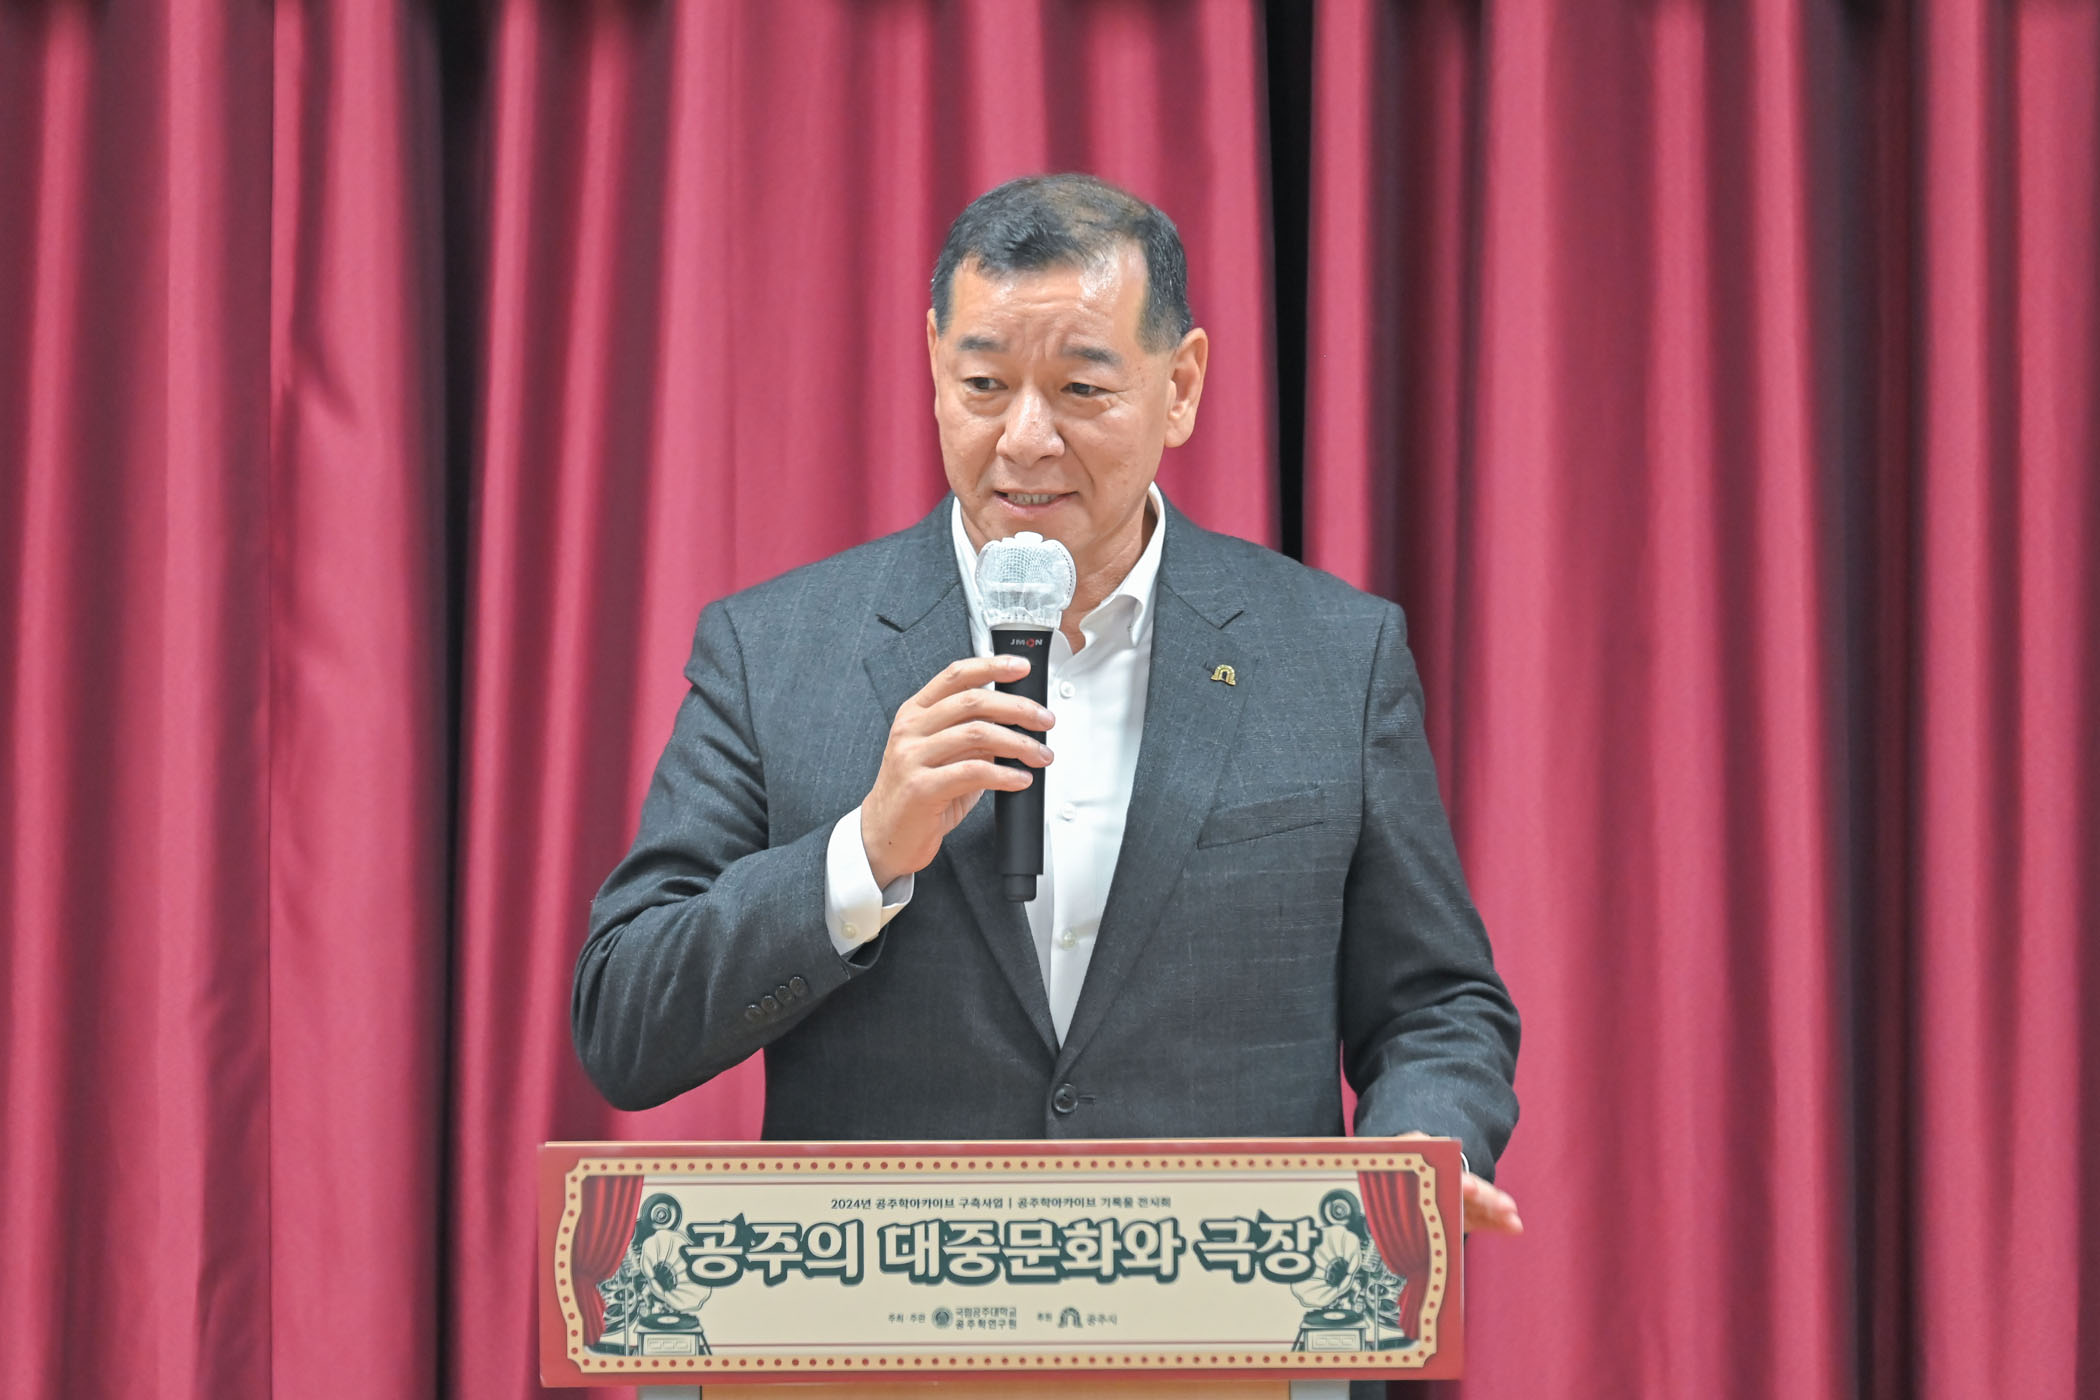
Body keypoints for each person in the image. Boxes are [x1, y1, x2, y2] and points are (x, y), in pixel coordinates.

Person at [573, 174, 1522, 1235]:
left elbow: (1437, 1003)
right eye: (984, 384)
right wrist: (862, 855)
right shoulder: (775, 653)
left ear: (1181, 385)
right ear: (935, 364)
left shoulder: (1334, 656)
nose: (1024, 439)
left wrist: (1419, 1141)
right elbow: (625, 1021)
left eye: (1080, 389)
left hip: (1222, 1306)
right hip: (890, 1311)